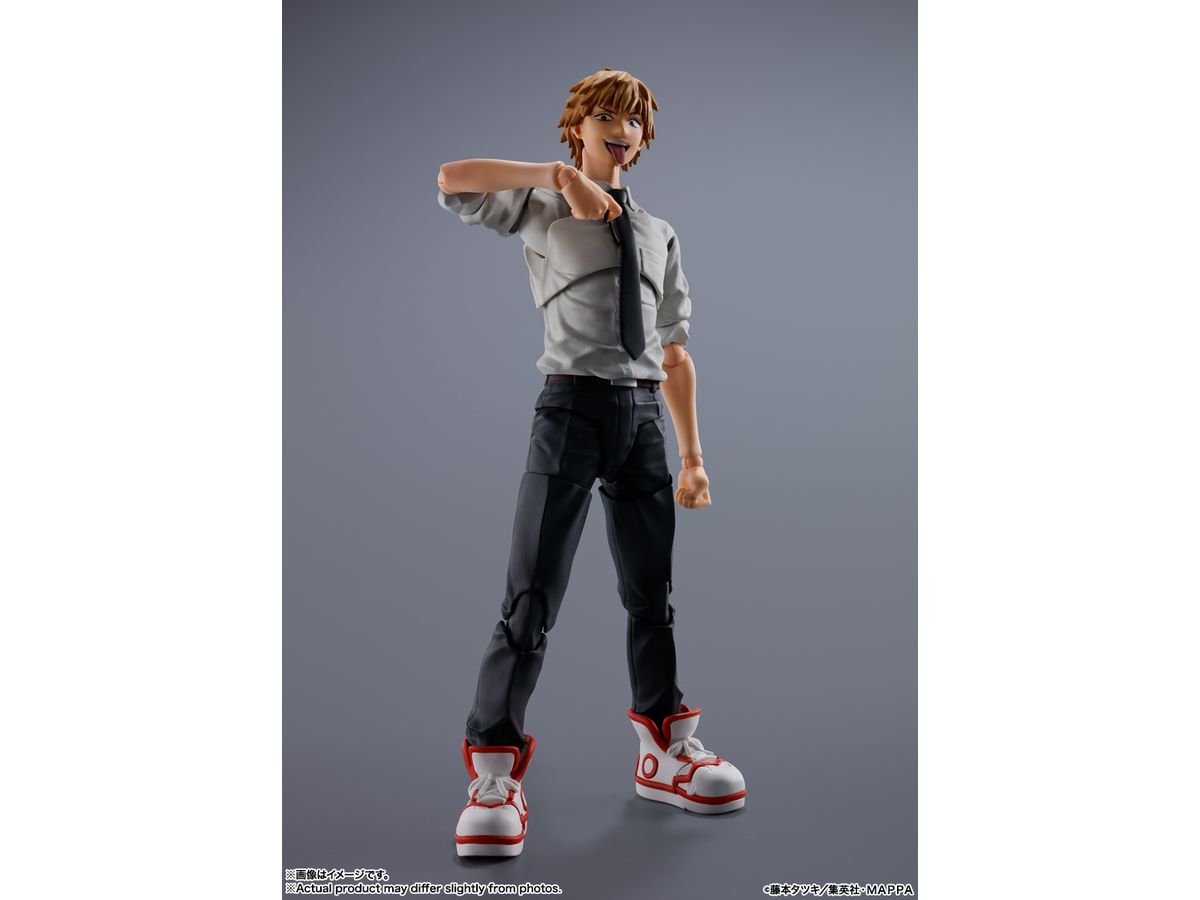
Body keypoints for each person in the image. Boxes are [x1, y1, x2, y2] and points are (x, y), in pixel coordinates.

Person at [436, 68, 746, 858]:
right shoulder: (543, 208)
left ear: (644, 138)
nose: (621, 129)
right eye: (605, 115)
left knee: (652, 595)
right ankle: (494, 769)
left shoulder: (660, 233)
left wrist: (694, 456)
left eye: (633, 120)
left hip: (642, 417)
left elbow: (674, 352)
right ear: (577, 126)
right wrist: (555, 178)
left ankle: (665, 747)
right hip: (570, 409)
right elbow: (452, 178)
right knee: (531, 596)